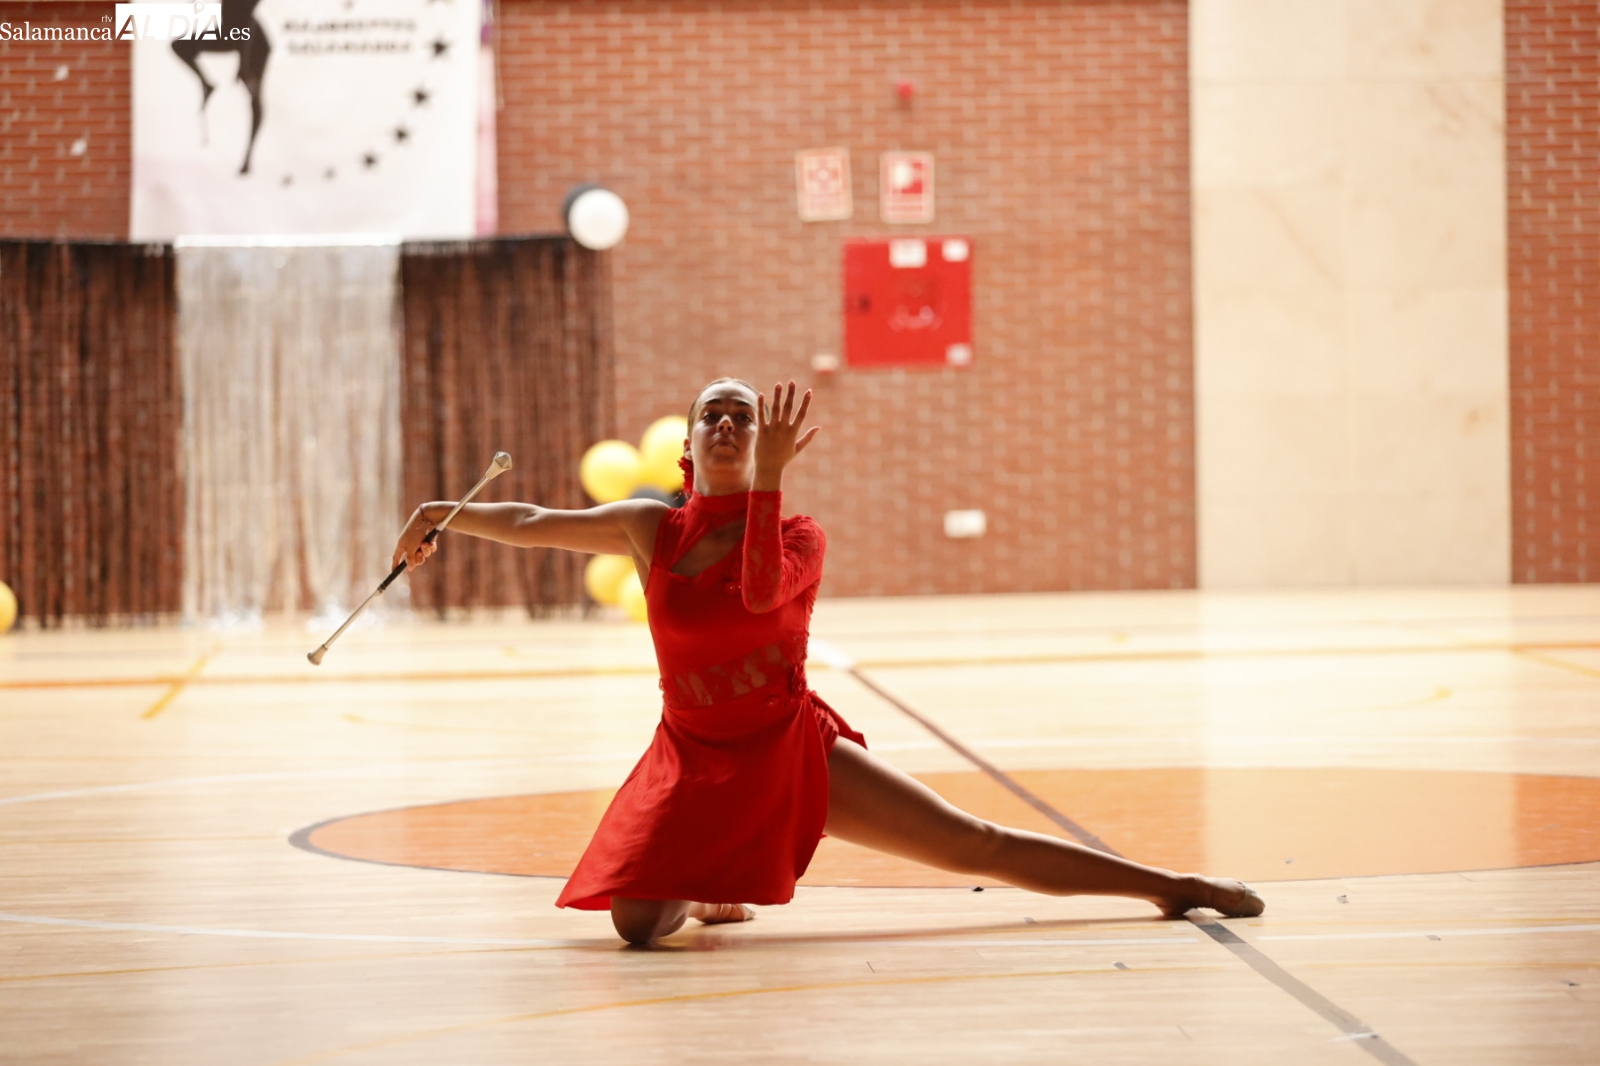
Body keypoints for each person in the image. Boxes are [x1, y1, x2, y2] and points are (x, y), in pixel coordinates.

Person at [392, 378, 1265, 945]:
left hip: (785, 749)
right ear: (690, 450)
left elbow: (761, 592)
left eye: (744, 415)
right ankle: (706, 892)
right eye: (714, 415)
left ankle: (1168, 884)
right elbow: (533, 523)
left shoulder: (800, 533)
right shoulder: (650, 526)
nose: (730, 423)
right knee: (635, 926)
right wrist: (441, 510)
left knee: (972, 843)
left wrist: (768, 482)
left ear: (762, 441)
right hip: (691, 757)